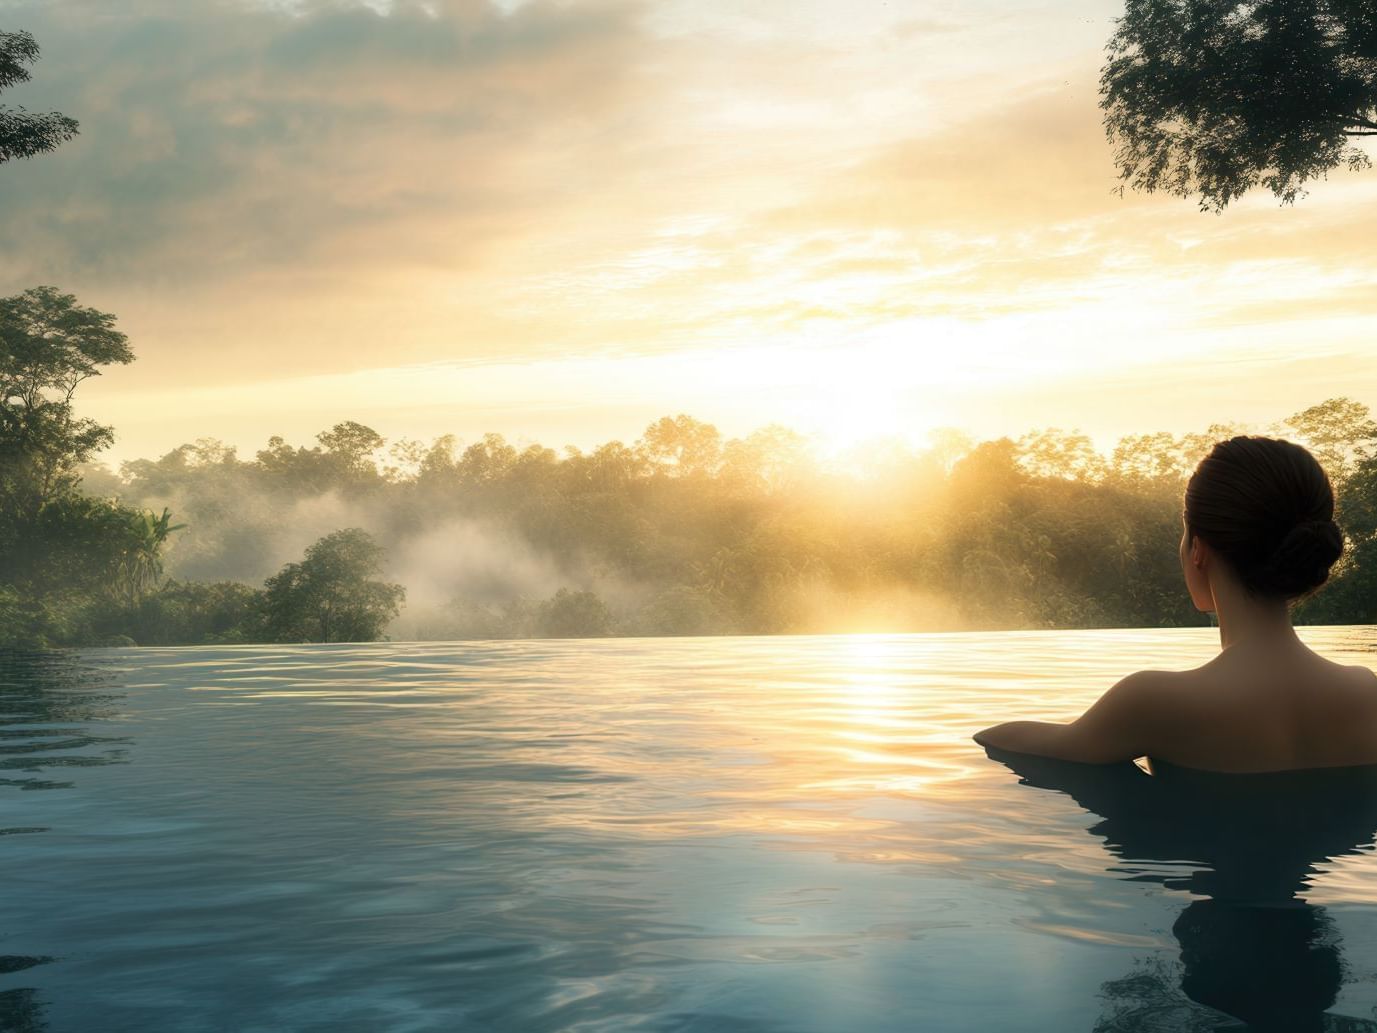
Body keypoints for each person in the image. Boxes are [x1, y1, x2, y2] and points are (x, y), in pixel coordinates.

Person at [973, 435, 1377, 772]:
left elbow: (1019, 744)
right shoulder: (1365, 692)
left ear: (1197, 549)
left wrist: (976, 736)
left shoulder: (1155, 700)